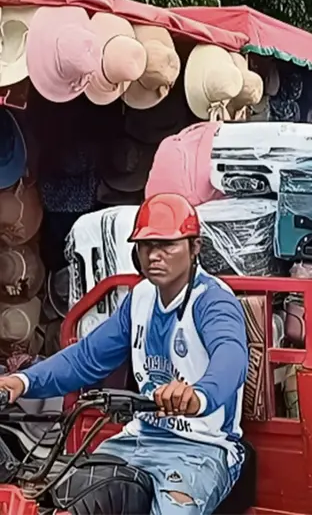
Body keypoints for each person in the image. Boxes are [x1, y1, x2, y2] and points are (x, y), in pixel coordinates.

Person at [0, 193, 248, 514]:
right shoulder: (139, 298)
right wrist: (21, 382)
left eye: (167, 245)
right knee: (70, 496)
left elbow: (231, 359)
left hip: (201, 449)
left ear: (194, 247)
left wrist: (199, 395)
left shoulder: (213, 300)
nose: (155, 255)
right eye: (147, 246)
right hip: (137, 439)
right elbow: (86, 358)